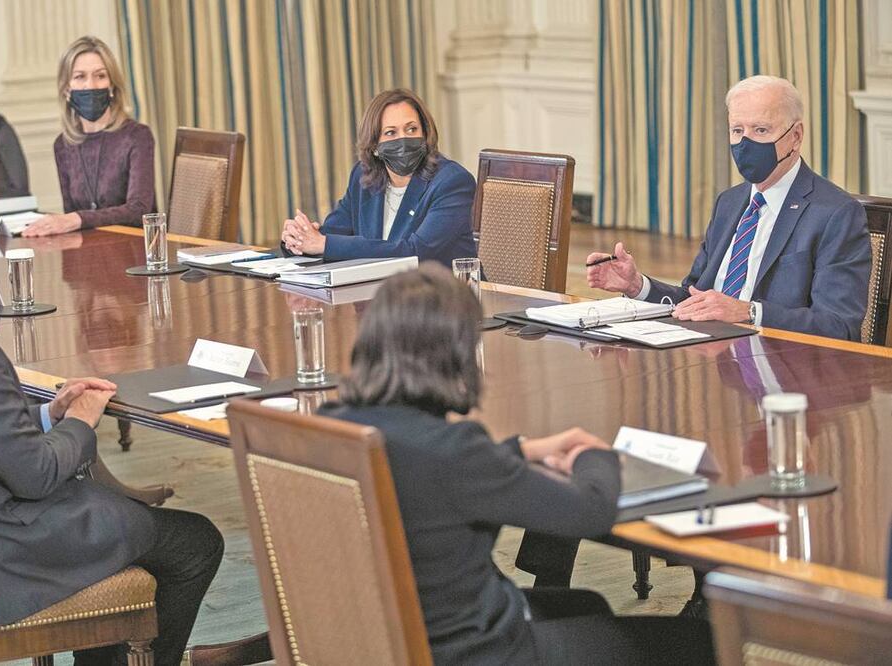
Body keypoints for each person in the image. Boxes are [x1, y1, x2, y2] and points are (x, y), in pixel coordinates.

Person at [0, 174, 222, 665]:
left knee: (123, 520)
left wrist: (50, 414)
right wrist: (82, 421)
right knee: (196, 541)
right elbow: (36, 475)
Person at [321, 265, 715, 665]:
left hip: (396, 634)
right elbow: (590, 512)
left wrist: (521, 449)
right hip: (480, 650)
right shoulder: (455, 452)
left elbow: (444, 472)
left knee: (584, 603)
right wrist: (593, 454)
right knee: (697, 639)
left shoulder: (338, 423)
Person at [587, 75, 871, 342]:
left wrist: (749, 312)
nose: (745, 143)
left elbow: (838, 325)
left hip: (782, 370)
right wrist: (638, 285)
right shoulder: (730, 202)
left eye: (761, 130)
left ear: (796, 136)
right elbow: (695, 297)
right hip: (712, 359)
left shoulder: (836, 213)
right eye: (737, 130)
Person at [282, 88, 476, 267]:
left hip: (443, 297)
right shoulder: (364, 177)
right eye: (391, 133)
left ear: (425, 133)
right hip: (379, 296)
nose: (403, 139)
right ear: (374, 145)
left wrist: (323, 244)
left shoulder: (452, 182)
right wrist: (299, 239)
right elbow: (332, 234)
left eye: (411, 129)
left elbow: (416, 252)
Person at [23, 35, 156, 237]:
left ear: (112, 85)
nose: (91, 85)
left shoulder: (137, 136)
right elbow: (70, 218)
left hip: (133, 250)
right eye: (80, 77)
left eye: (100, 76)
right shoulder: (63, 145)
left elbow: (139, 210)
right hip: (87, 250)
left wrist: (79, 218)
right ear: (67, 88)